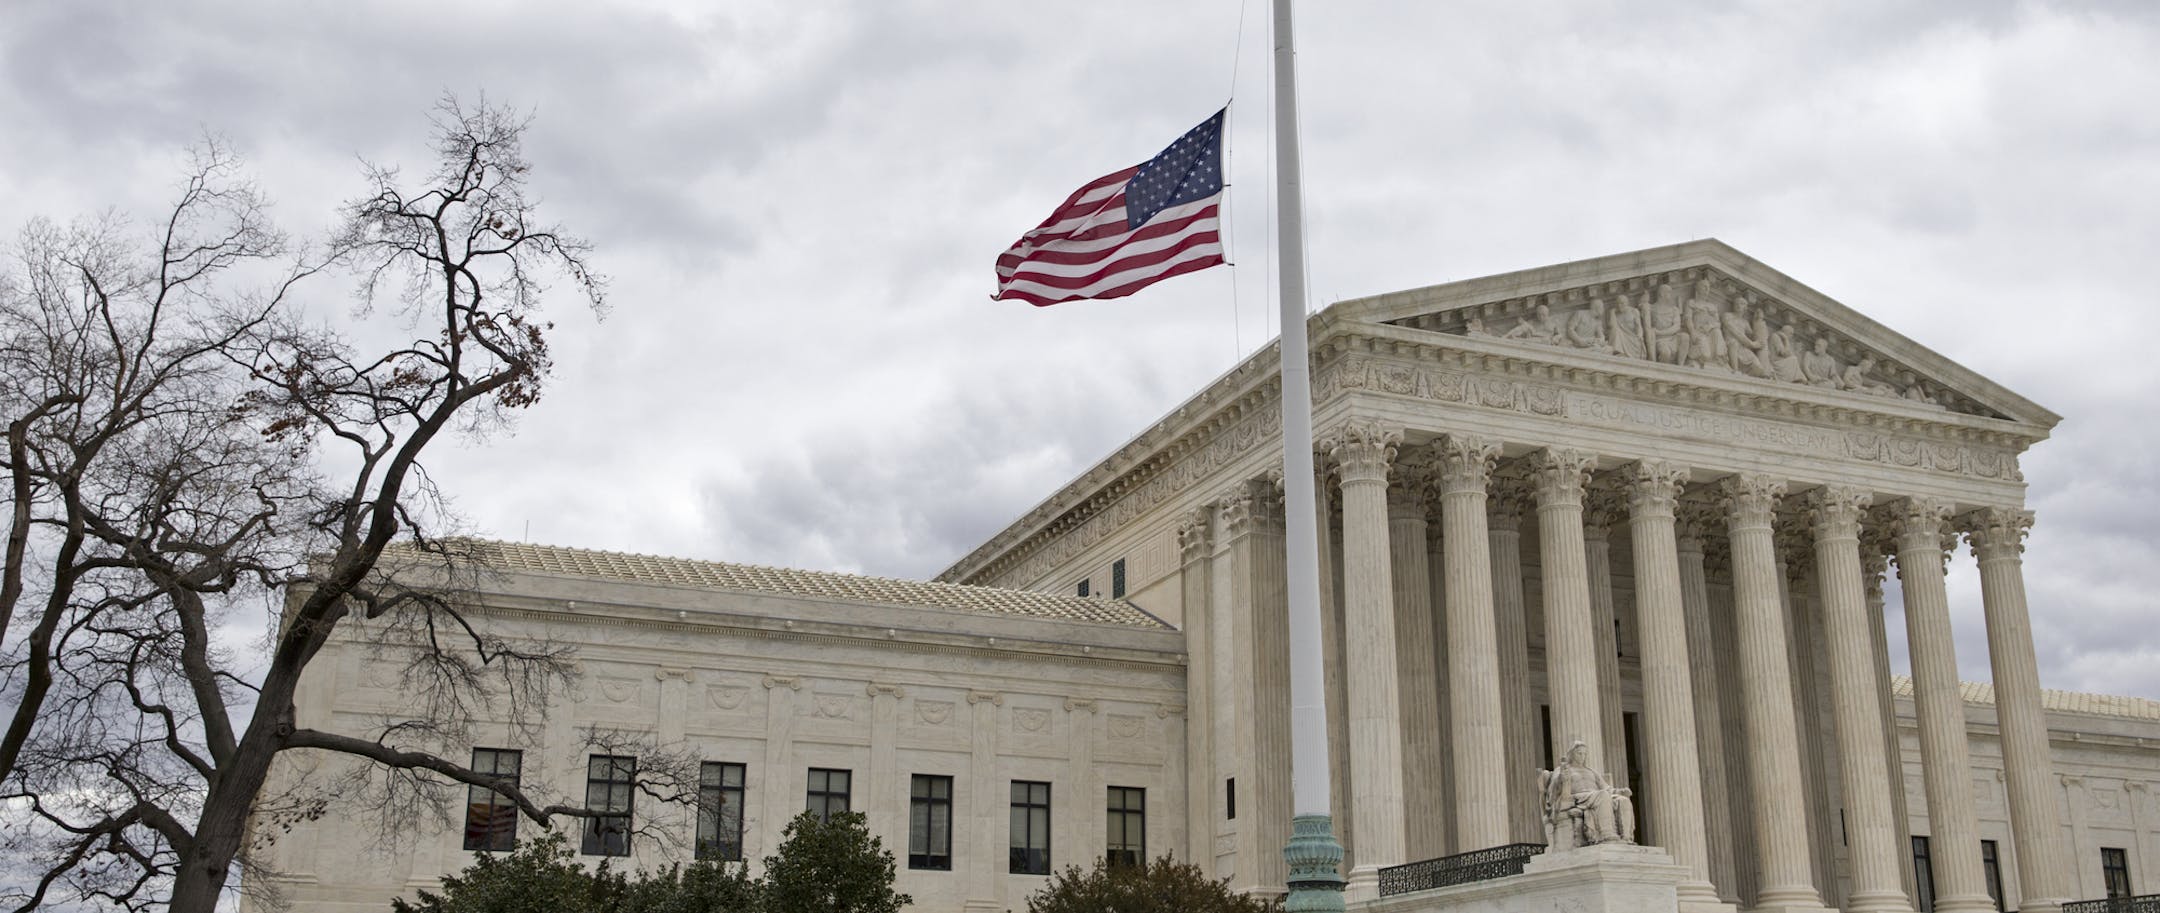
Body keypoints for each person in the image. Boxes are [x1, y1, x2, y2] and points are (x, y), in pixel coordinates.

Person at [1542, 740, 1636, 850]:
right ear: (1572, 754)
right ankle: (1606, 834)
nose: (1582, 756)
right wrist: (1561, 779)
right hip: (1578, 798)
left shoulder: (1591, 771)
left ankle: (1626, 837)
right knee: (1602, 796)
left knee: (1623, 800)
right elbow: (1553, 790)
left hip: (1595, 796)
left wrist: (1620, 792)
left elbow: (1607, 788)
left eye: (1584, 754)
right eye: (1579, 753)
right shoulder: (1563, 770)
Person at [1608, 294, 1648, 360]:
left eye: (1622, 303)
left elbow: (1639, 326)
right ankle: (1618, 352)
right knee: (1616, 330)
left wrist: (1640, 334)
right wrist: (1612, 312)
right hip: (1622, 338)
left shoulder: (1634, 311)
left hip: (1632, 337)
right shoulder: (1616, 315)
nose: (1619, 305)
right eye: (1618, 303)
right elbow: (1613, 327)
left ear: (1627, 303)